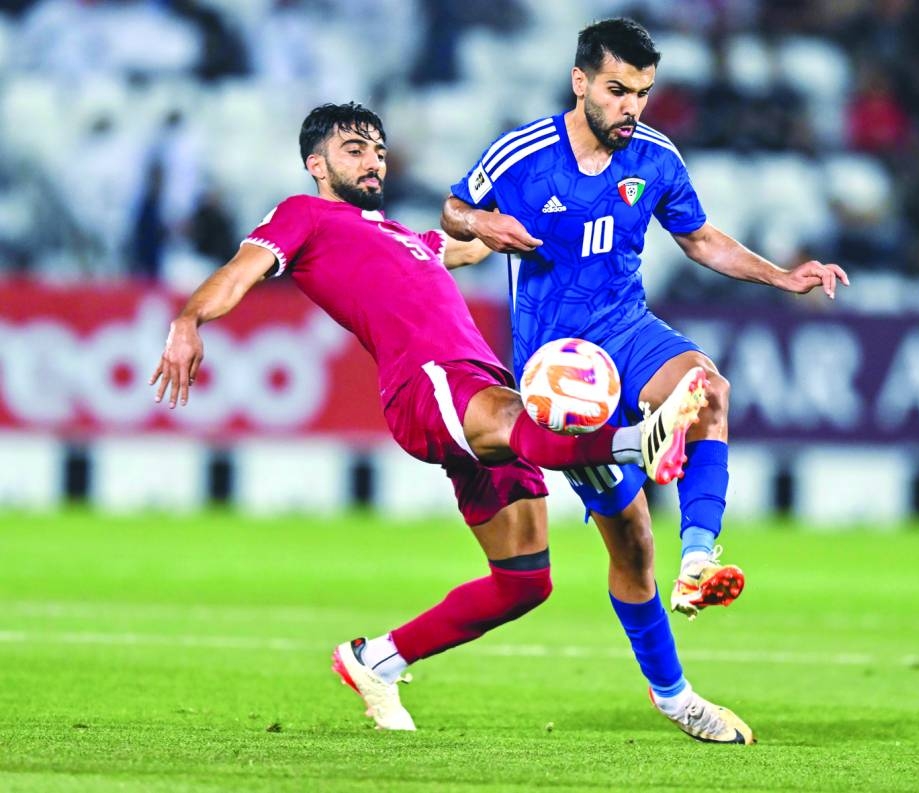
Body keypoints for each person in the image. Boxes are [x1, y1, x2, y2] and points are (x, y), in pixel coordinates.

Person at [149, 101, 752, 743]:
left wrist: (518, 224)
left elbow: (466, 242)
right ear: (315, 163)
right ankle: (638, 441)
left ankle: (375, 659)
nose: (373, 158)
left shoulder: (404, 238)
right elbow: (241, 272)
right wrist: (189, 321)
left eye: (378, 148)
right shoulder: (304, 217)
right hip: (427, 385)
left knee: (525, 581)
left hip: (480, 384)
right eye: (354, 148)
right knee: (522, 416)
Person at [442, 18, 848, 728]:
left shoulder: (655, 158)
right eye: (618, 90)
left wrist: (783, 277)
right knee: (631, 542)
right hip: (558, 374)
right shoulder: (525, 153)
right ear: (581, 83)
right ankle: (674, 695)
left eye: (644, 93)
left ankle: (699, 559)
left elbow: (699, 238)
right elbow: (453, 206)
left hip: (627, 331)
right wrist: (481, 226)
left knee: (709, 389)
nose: (632, 107)